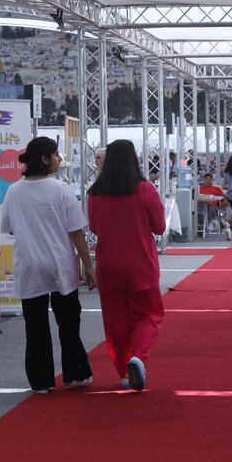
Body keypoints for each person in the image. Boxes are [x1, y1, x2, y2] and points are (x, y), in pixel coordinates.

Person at [1, 136, 95, 394]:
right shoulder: (61, 190)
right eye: (55, 155)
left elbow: (7, 227)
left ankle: (40, 380)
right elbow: (76, 232)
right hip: (60, 263)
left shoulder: (13, 191)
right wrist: (88, 265)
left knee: (35, 326)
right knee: (68, 322)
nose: (58, 159)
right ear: (44, 159)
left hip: (29, 264)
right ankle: (75, 372)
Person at [88, 140, 165, 391]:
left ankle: (124, 371)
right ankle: (138, 357)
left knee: (116, 322)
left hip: (109, 264)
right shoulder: (144, 189)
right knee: (148, 315)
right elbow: (160, 227)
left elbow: (94, 228)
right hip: (140, 263)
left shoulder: (95, 192)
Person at [199, 173, 232, 240]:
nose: (208, 180)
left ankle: (204, 226)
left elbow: (225, 201)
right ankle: (217, 224)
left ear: (212, 180)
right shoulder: (199, 189)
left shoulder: (216, 189)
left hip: (212, 208)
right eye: (206, 179)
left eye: (210, 179)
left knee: (209, 209)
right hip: (200, 207)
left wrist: (218, 208)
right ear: (203, 180)